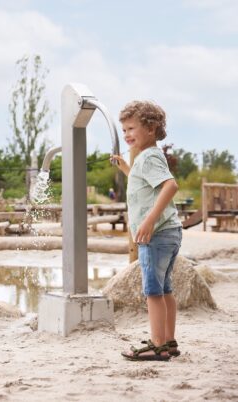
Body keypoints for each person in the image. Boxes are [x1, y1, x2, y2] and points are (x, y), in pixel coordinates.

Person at [110, 101, 182, 361]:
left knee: (153, 291)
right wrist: (126, 169)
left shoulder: (149, 157)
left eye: (131, 129)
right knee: (164, 289)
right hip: (169, 232)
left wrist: (149, 220)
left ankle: (157, 344)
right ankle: (169, 341)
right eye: (124, 130)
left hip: (156, 234)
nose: (126, 135)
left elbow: (170, 186)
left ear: (151, 129)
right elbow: (146, 185)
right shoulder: (148, 156)